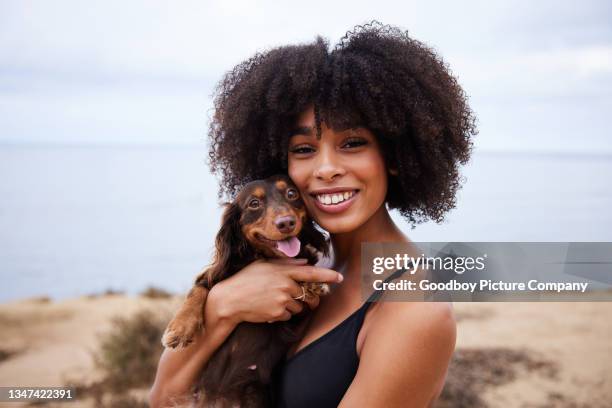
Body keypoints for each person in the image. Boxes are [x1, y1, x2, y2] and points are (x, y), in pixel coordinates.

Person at [149, 21, 476, 407]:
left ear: (396, 156)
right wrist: (221, 307)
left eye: (352, 143)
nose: (325, 169)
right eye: (303, 149)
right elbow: (163, 398)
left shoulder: (414, 310)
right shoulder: (306, 258)